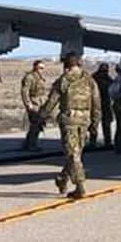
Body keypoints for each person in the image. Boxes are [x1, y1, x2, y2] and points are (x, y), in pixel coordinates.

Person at [39, 52, 102, 198]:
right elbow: (97, 104)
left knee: (73, 154)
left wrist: (41, 117)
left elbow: (51, 102)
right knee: (75, 153)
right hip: (84, 120)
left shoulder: (64, 80)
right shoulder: (89, 80)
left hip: (69, 121)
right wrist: (95, 123)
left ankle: (80, 186)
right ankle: (62, 179)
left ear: (66, 65)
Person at [19, 60, 49, 151]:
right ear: (35, 67)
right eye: (40, 68)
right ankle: (31, 145)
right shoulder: (30, 77)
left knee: (38, 124)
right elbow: (25, 91)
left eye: (43, 68)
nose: (41, 70)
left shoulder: (40, 77)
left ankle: (30, 143)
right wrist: (28, 104)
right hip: (34, 102)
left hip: (40, 102)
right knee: (35, 125)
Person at [91, 63, 114, 148]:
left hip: (101, 103)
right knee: (99, 123)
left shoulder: (95, 78)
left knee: (98, 123)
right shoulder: (97, 78)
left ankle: (95, 141)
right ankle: (105, 141)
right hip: (100, 103)